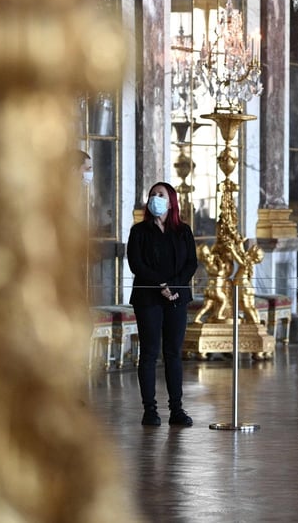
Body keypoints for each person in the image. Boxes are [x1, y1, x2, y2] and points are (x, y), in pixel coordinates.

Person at [127, 182, 199, 427]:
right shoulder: (139, 231)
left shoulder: (183, 231)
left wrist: (175, 287)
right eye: (152, 195)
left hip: (177, 297)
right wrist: (161, 285)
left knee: (173, 354)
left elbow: (191, 263)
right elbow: (137, 264)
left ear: (171, 202)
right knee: (148, 353)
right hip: (148, 297)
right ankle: (149, 410)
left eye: (160, 195)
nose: (155, 198)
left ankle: (176, 409)